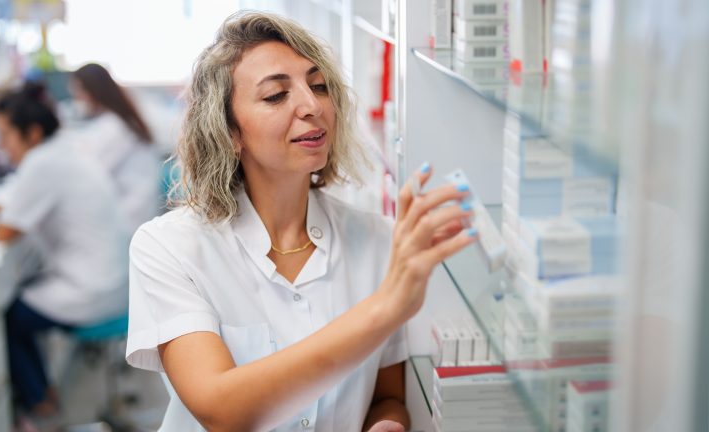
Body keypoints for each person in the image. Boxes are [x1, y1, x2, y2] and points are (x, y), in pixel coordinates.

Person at [125, 12, 476, 432]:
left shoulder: (379, 239)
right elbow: (220, 410)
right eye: (276, 95)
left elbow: (387, 397)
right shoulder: (168, 247)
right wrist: (385, 307)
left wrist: (387, 425)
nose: (311, 107)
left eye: (319, 86)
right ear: (230, 131)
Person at [0, 83, 128, 416]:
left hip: (94, 290)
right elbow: (26, 201)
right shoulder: (61, 149)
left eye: (6, 136)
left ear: (32, 133)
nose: (2, 148)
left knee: (10, 315)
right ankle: (41, 391)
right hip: (115, 279)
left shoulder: (41, 165)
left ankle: (39, 403)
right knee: (20, 299)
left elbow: (7, 231)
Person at [68, 63, 162, 239]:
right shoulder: (119, 121)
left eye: (80, 92)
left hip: (130, 216)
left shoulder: (115, 127)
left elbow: (88, 171)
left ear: (94, 90)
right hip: (134, 212)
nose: (78, 99)